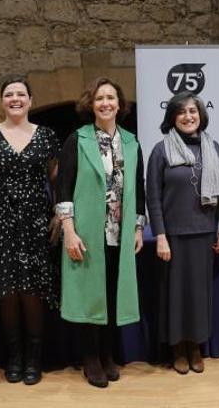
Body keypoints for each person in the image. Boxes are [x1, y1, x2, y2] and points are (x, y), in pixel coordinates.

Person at [0, 78, 60, 385]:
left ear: (31, 100)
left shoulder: (46, 136)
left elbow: (58, 182)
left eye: (21, 94)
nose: (15, 98)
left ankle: (34, 357)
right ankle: (14, 356)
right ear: (2, 101)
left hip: (36, 223)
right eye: (9, 94)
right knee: (6, 290)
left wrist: (61, 216)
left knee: (33, 290)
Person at [54, 77, 146, 388]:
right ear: (91, 105)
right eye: (99, 98)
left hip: (119, 234)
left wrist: (137, 228)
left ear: (120, 105)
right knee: (90, 295)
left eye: (111, 98)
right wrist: (69, 230)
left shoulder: (132, 143)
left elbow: (139, 189)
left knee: (112, 295)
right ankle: (90, 358)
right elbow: (63, 188)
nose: (105, 103)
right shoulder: (77, 140)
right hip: (88, 234)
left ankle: (108, 354)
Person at [146, 92, 219, 375]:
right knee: (176, 295)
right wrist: (160, 235)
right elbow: (153, 197)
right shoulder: (161, 150)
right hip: (173, 236)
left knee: (199, 295)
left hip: (205, 233)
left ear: (200, 115)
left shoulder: (213, 147)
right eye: (181, 112)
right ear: (173, 117)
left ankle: (196, 346)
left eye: (192, 111)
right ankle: (177, 348)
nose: (188, 116)